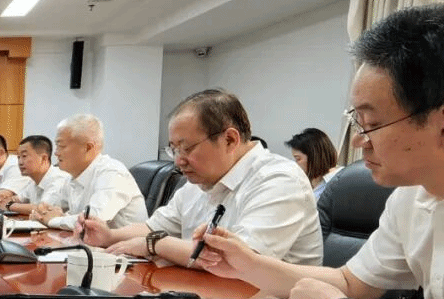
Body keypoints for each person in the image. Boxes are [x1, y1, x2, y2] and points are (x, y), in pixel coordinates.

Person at [196, 5, 444, 299]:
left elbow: (342, 298)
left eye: (372, 124)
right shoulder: (411, 196)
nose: (358, 141)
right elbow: (350, 282)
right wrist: (248, 264)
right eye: (357, 123)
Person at [82, 90, 322, 266]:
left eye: (186, 148)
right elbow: (152, 227)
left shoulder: (280, 180)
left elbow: (239, 261)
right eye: (174, 150)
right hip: (208, 296)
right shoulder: (199, 182)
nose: (178, 161)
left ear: (230, 140)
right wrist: (109, 236)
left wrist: (155, 244)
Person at [33, 114, 146, 230]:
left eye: (61, 146)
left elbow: (92, 220)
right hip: (85, 240)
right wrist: (42, 213)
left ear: (88, 147)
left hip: (124, 242)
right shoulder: (72, 176)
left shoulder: (112, 173)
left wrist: (52, 220)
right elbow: (48, 208)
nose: (56, 153)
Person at [0, 135, 71, 216]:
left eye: (24, 156)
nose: (20, 162)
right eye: (18, 157)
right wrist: (2, 200)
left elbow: (43, 209)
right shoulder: (33, 181)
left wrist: (9, 205)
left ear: (44, 158)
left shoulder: (58, 178)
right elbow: (18, 199)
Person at [285, 128, 341, 198]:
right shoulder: (307, 184)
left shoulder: (338, 182)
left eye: (298, 159)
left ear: (314, 156)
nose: (295, 164)